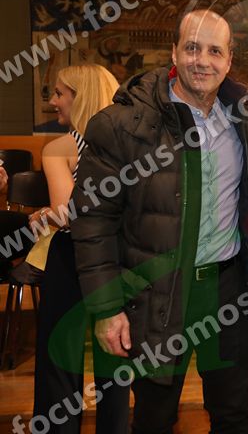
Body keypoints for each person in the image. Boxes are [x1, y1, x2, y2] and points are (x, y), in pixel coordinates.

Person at [70, 9, 248, 433]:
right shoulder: (122, 124)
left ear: (229, 60)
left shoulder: (246, 120)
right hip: (157, 291)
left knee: (236, 413)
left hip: (227, 288)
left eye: (214, 51)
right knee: (155, 416)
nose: (203, 61)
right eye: (193, 48)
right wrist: (107, 308)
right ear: (174, 52)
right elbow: (92, 222)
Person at [30, 64, 130, 433]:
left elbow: (70, 215)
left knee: (60, 361)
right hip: (117, 257)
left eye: (60, 93)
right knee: (114, 360)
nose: (54, 101)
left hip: (70, 257)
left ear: (80, 96)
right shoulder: (129, 146)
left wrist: (47, 213)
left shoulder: (60, 148)